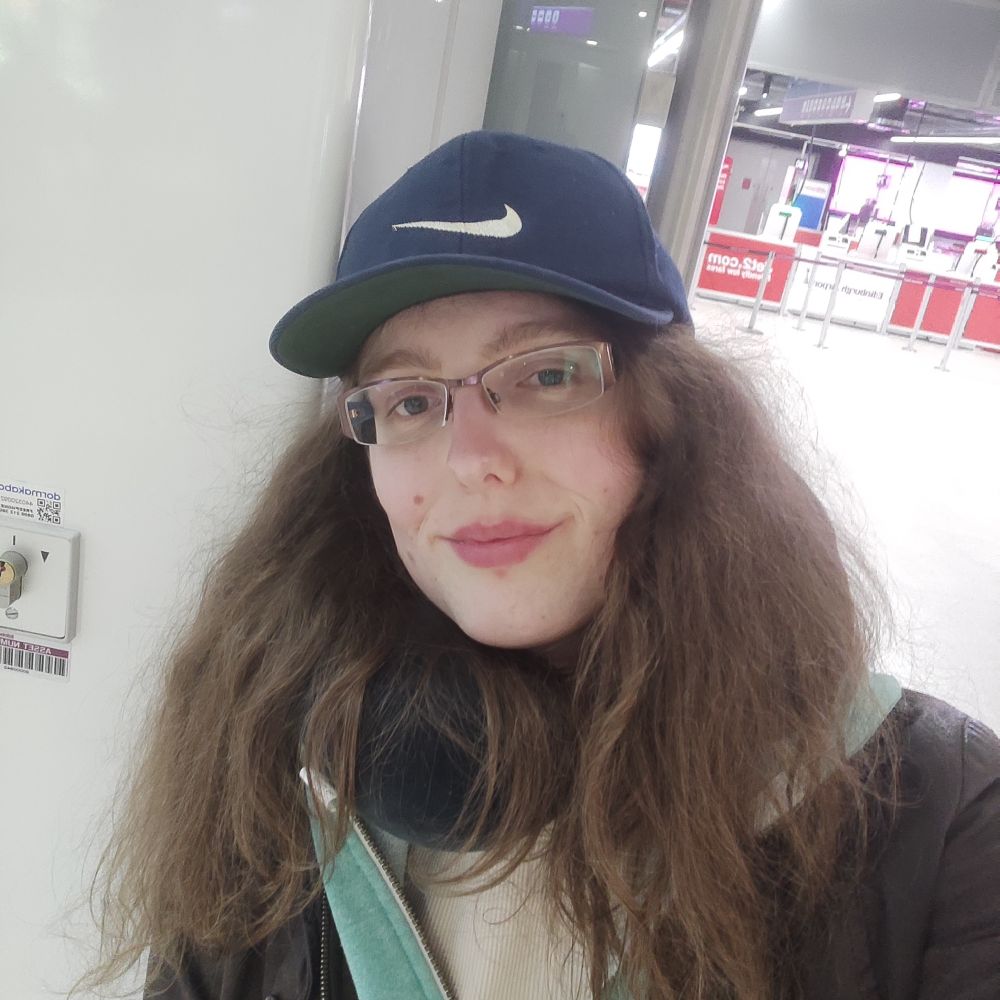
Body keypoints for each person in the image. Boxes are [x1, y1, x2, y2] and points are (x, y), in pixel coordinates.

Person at [83, 131, 1000, 1000]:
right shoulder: (276, 743)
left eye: (544, 375)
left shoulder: (940, 816)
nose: (468, 457)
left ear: (671, 420)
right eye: (408, 401)